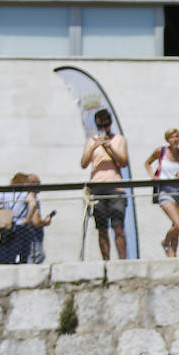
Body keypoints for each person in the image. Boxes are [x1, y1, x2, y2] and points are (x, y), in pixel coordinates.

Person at [80, 109, 128, 261]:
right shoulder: (91, 141)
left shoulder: (119, 139)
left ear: (110, 124)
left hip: (115, 187)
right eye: (100, 126)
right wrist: (94, 147)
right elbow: (83, 163)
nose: (103, 129)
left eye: (105, 126)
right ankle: (106, 261)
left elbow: (123, 162)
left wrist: (109, 146)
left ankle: (122, 261)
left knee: (118, 227)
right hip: (97, 188)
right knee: (101, 228)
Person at [145, 129, 179, 257]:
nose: (175, 139)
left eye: (176, 137)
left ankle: (172, 254)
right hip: (165, 191)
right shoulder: (161, 151)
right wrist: (152, 176)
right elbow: (147, 162)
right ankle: (165, 242)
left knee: (176, 227)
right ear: (167, 139)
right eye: (171, 137)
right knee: (178, 224)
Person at [0, 173, 36, 264]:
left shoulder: (5, 193)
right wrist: (27, 219)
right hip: (20, 227)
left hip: (7, 226)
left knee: (4, 255)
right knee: (19, 256)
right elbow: (33, 204)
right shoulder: (26, 193)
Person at [25, 174, 54, 264]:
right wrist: (46, 222)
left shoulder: (25, 196)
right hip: (33, 236)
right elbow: (36, 221)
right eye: (38, 183)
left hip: (30, 236)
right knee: (37, 256)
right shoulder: (32, 198)